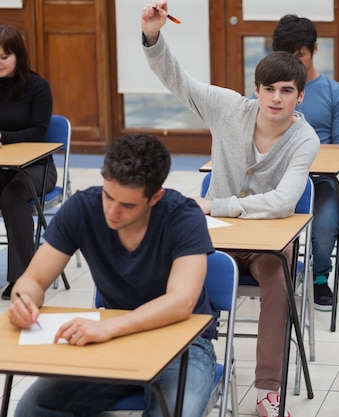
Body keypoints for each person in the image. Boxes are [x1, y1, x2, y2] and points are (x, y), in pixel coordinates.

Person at [141, 4, 319, 417]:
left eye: (287, 91)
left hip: (265, 247)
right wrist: (152, 36)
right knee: (169, 266)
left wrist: (216, 204)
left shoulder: (304, 139)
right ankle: (176, 366)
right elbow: (178, 81)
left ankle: (267, 394)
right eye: (269, 89)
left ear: (299, 95)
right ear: (255, 90)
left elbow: (282, 203)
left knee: (278, 277)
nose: (277, 98)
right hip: (214, 238)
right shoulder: (227, 108)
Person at [8, 134, 218, 417]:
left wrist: (109, 328)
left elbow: (182, 301)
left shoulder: (182, 216)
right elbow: (34, 280)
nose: (112, 211)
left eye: (128, 205)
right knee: (33, 408)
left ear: (156, 197)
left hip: (185, 344)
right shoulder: (83, 207)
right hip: (115, 341)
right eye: (108, 196)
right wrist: (24, 301)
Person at [272, 14, 339, 311]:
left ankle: (319, 278)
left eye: (300, 56)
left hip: (321, 181)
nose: (295, 64)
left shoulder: (336, 94)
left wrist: (302, 152)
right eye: (287, 57)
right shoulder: (272, 93)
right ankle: (275, 271)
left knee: (322, 227)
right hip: (276, 180)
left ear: (314, 50)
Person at [0, 24, 57, 300]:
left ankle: (22, 279)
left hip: (38, 168)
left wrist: (3, 136)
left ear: (18, 56)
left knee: (12, 196)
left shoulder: (38, 87)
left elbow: (38, 132)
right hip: (3, 166)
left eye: (3, 57)